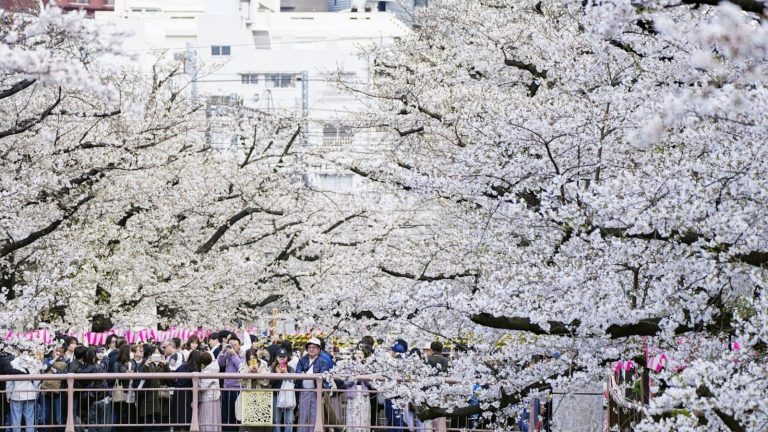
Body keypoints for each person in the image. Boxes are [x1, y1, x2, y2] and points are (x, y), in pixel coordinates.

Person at [294, 338, 331, 432]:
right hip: (304, 391)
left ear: (318, 349)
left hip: (316, 392)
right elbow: (297, 373)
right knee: (303, 415)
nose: (311, 349)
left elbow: (324, 377)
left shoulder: (323, 361)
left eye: (314, 347)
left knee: (315, 416)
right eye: (309, 347)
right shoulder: (302, 360)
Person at [135, 344, 171, 432]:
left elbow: (170, 378)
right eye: (154, 354)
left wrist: (165, 364)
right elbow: (141, 375)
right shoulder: (146, 363)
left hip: (160, 395)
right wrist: (147, 364)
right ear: (151, 354)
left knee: (160, 416)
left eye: (158, 354)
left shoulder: (164, 364)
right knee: (148, 417)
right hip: (148, 394)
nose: (156, 356)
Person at [75, 348, 111, 432]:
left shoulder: (80, 370)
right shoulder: (99, 368)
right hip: (101, 398)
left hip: (88, 399)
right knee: (104, 424)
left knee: (92, 423)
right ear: (94, 358)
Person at [7, 351, 41, 432]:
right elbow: (37, 381)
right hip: (30, 393)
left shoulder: (13, 362)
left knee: (16, 420)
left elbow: (9, 382)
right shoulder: (34, 362)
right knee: (30, 419)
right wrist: (36, 392)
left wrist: (8, 394)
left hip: (16, 393)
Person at [239, 348, 271, 432]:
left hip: (261, 395)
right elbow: (241, 381)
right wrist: (249, 370)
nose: (252, 361)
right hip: (248, 395)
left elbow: (266, 381)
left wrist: (257, 373)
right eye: (250, 360)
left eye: (254, 359)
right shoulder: (243, 365)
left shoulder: (263, 364)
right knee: (248, 420)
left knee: (260, 419)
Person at [217, 336, 243, 432]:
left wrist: (233, 355)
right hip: (226, 388)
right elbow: (219, 364)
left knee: (235, 413)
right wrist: (223, 351)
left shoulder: (243, 354)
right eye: (230, 345)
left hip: (237, 389)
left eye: (235, 345)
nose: (232, 347)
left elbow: (241, 367)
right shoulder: (227, 354)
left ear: (239, 346)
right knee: (225, 414)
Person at [345, 345, 373, 432]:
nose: (359, 355)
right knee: (353, 413)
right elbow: (346, 382)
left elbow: (371, 382)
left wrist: (364, 373)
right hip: (353, 393)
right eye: (357, 354)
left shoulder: (367, 366)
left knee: (363, 413)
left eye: (361, 353)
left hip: (363, 392)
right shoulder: (349, 366)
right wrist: (354, 375)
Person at [111, 344, 139, 431]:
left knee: (131, 413)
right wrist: (126, 374)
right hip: (122, 392)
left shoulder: (133, 363)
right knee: (121, 414)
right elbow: (115, 378)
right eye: (131, 351)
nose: (132, 353)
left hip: (132, 391)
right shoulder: (117, 364)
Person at [172, 350, 200, 431]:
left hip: (177, 392)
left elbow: (173, 376)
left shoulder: (182, 366)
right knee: (186, 414)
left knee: (178, 413)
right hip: (188, 394)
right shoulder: (195, 369)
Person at [270, 348, 295, 432]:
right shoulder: (273, 368)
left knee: (289, 420)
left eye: (284, 357)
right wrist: (278, 374)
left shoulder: (290, 369)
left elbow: (294, 381)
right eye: (280, 357)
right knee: (276, 420)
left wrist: (286, 373)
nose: (282, 359)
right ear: (277, 358)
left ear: (287, 358)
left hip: (288, 395)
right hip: (276, 395)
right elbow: (269, 382)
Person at [198, 352, 222, 432]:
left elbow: (202, 387)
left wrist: (196, 381)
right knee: (214, 419)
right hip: (214, 397)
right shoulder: (214, 368)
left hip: (208, 398)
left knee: (206, 419)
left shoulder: (207, 372)